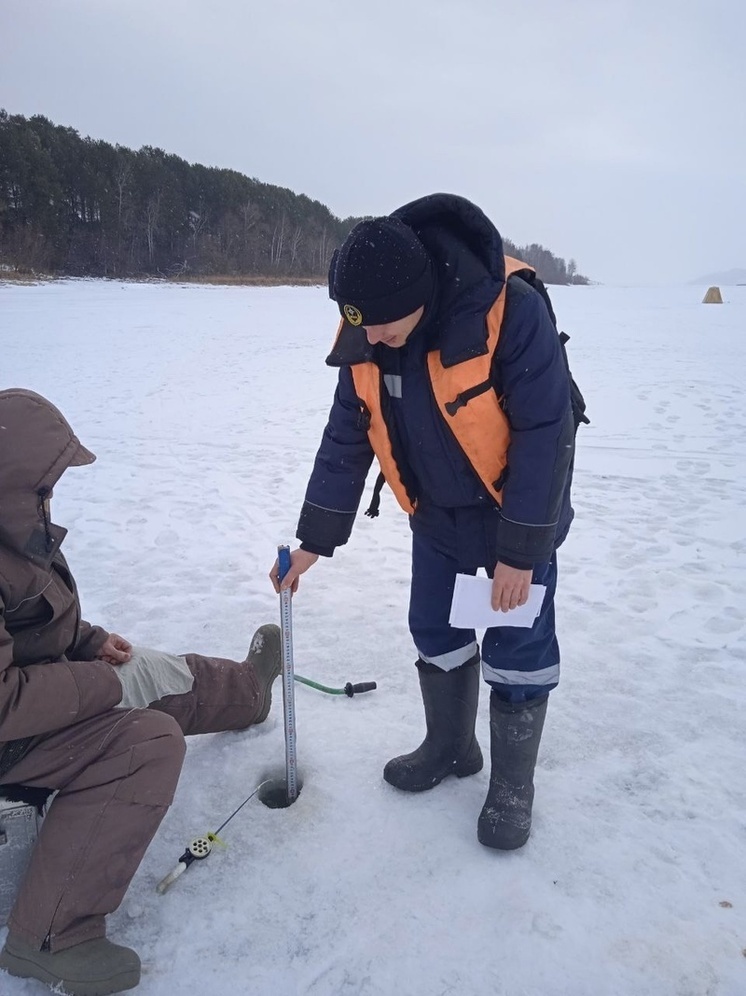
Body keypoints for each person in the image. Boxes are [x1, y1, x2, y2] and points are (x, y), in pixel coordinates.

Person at [270, 193, 576, 852]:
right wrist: (313, 543)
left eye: (380, 325)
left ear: (422, 294)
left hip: (512, 520)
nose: (368, 339)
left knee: (516, 649)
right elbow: (346, 437)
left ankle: (512, 785)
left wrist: (520, 554)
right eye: (359, 326)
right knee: (434, 629)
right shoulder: (368, 328)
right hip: (435, 519)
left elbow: (547, 435)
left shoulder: (510, 312)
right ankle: (450, 746)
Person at [0, 388, 281, 996]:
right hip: (11, 739)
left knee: (151, 671)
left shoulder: (12, 530)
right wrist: (96, 682)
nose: (52, 501)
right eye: (44, 489)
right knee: (146, 742)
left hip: (40, 700)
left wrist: (90, 641)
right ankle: (48, 937)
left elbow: (29, 627)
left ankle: (251, 693)